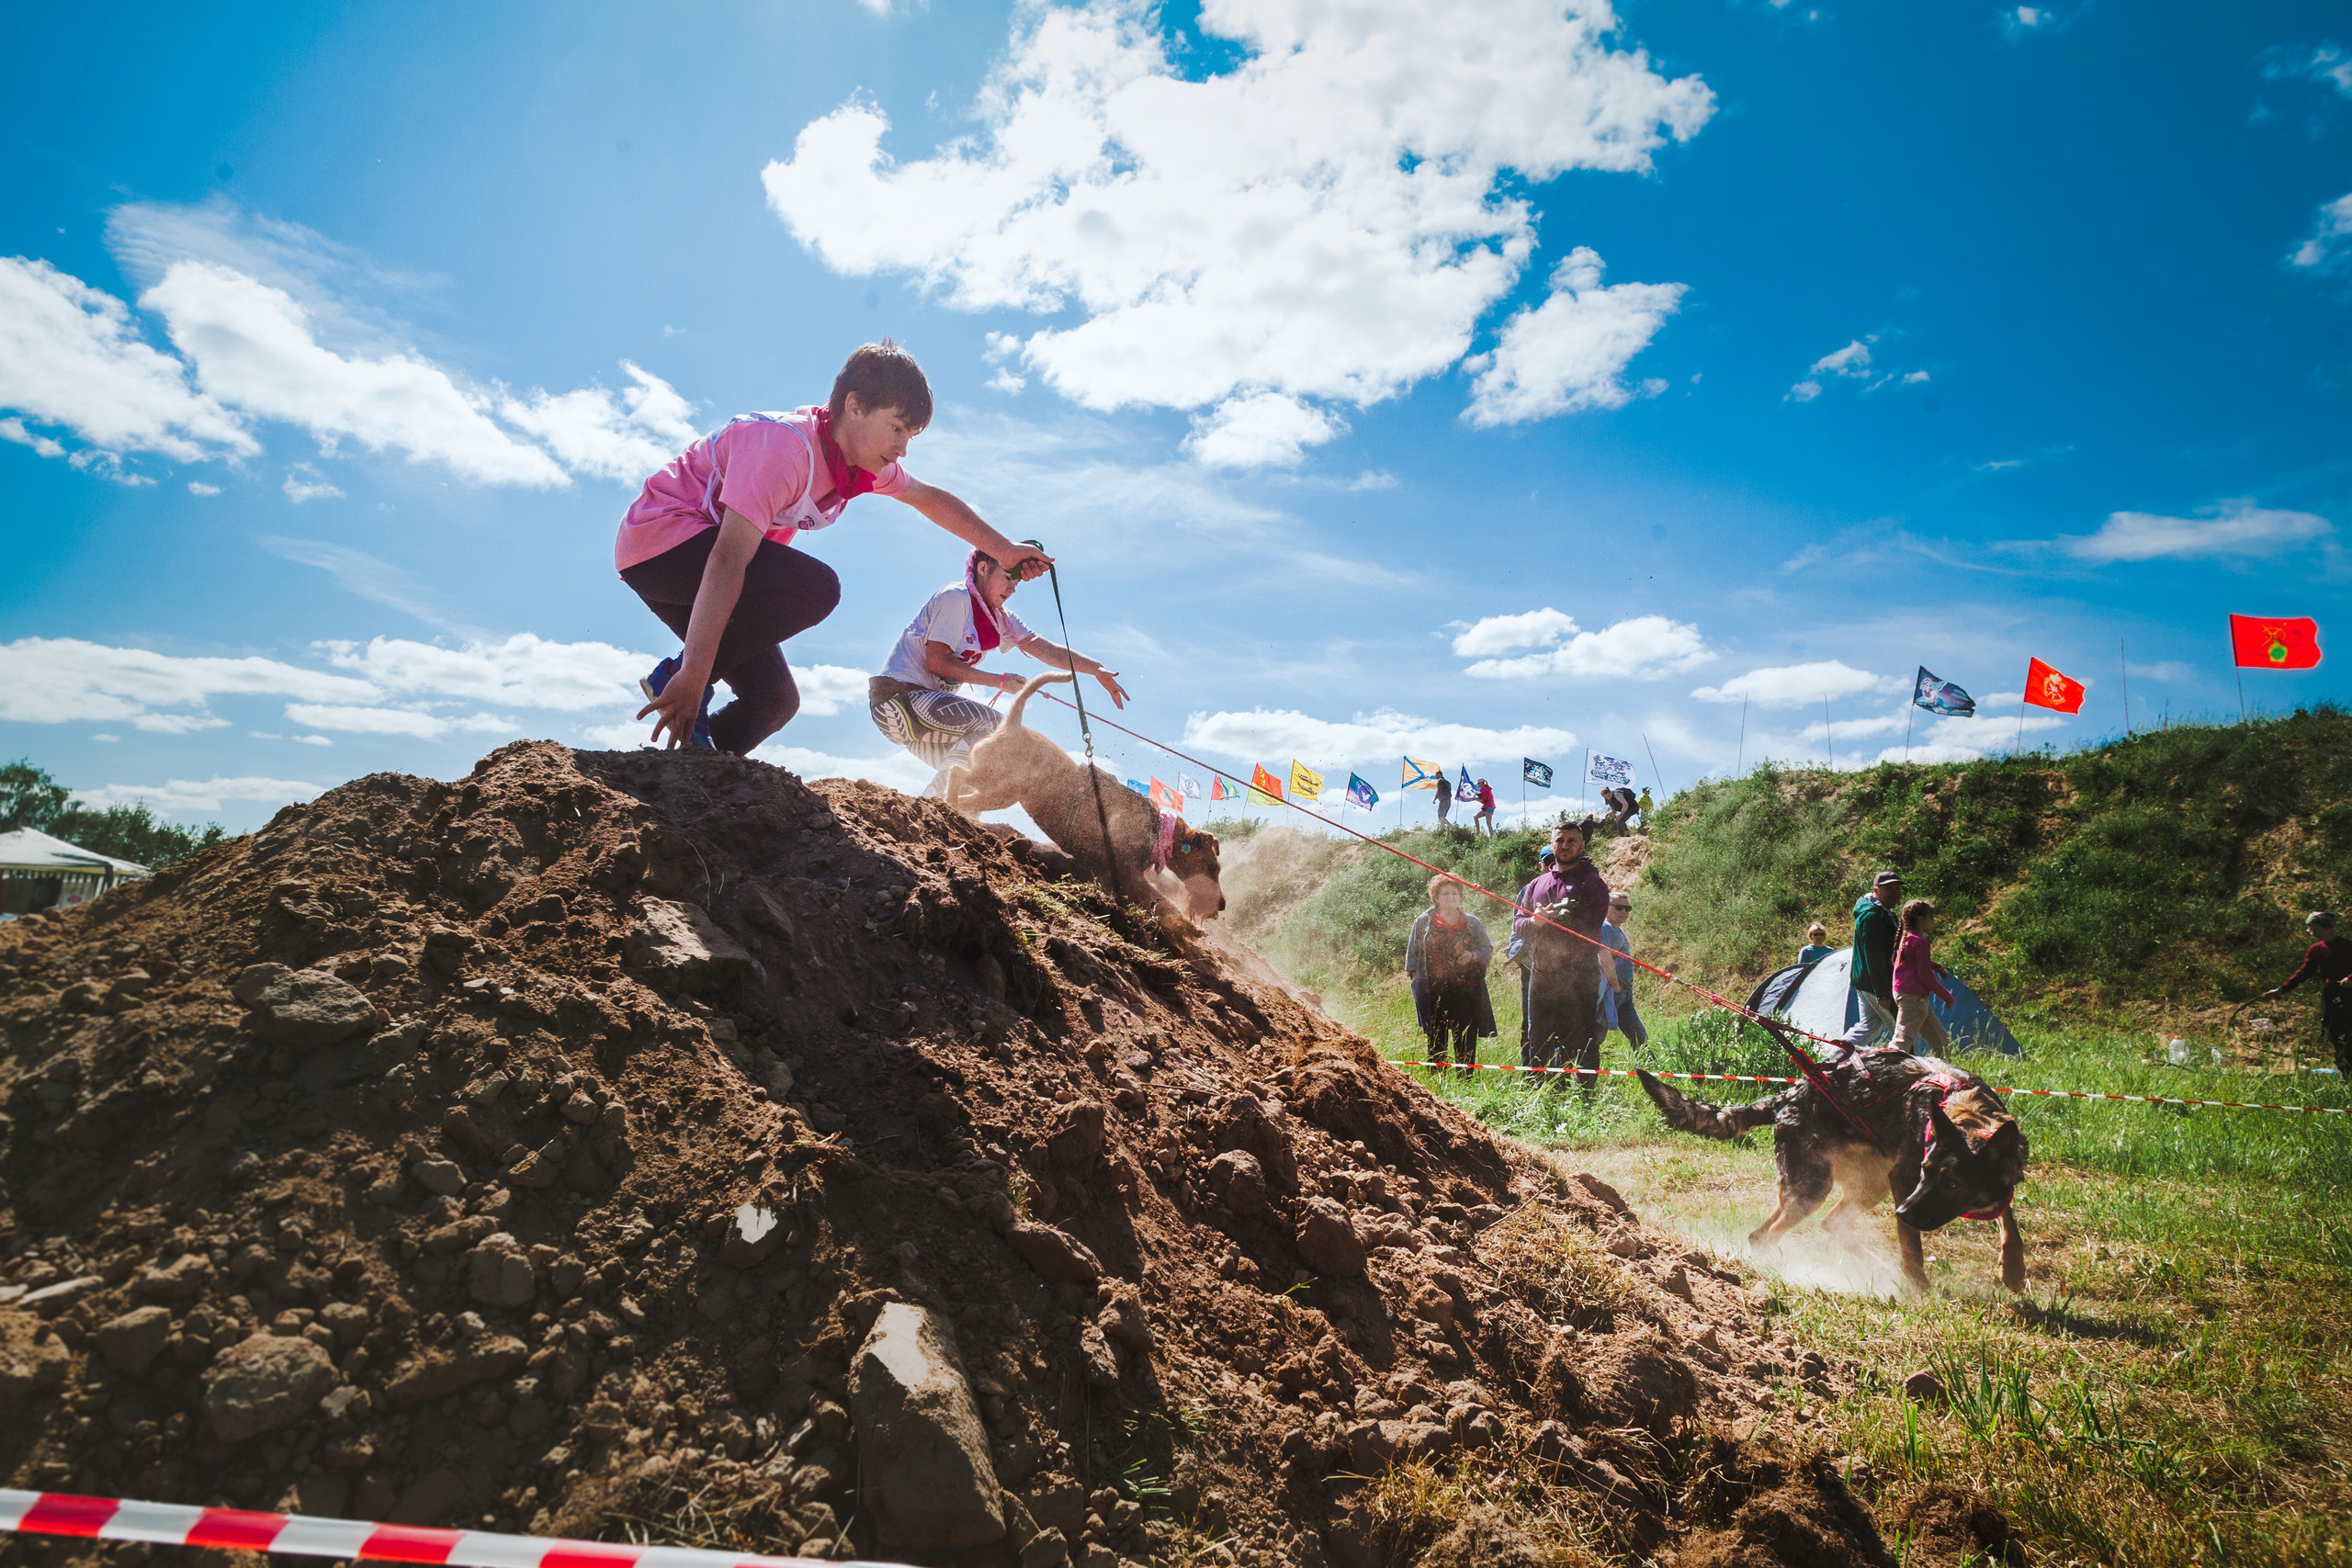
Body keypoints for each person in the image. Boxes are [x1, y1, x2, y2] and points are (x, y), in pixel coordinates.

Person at [619, 341, 1049, 752]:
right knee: (816, 588)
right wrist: (695, 674)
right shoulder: (786, 448)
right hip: (662, 546)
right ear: (855, 406)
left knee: (774, 702)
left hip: (712, 571)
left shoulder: (857, 463)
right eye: (896, 428)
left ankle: (696, 768)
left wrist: (1005, 550)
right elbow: (728, 557)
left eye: (910, 437)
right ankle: (677, 678)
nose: (901, 448)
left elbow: (928, 498)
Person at [870, 547, 1128, 796]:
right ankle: (935, 806)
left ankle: (955, 818)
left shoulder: (1001, 619)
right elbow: (937, 662)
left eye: (1016, 583)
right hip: (896, 701)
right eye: (1007, 578)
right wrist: (1000, 681)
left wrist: (1096, 669)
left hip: (920, 719)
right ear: (983, 568)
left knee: (989, 767)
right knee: (995, 728)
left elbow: (1047, 650)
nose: (1013, 588)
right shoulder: (956, 597)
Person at [1514, 819, 1613, 1088]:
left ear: (1582, 845)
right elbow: (1518, 925)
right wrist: (1536, 922)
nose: (1565, 846)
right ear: (1552, 844)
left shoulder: (1593, 883)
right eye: (1560, 840)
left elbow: (1591, 929)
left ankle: (1584, 1097)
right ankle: (1539, 1093)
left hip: (1579, 975)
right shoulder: (1536, 885)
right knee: (1538, 1038)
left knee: (1583, 1038)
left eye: (1571, 841)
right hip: (1542, 974)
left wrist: (1554, 919)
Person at [1406, 876, 1497, 1074]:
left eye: (1455, 893)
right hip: (1434, 991)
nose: (1450, 897)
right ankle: (1437, 1081)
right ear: (1436, 897)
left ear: (1461, 897)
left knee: (1465, 1039)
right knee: (1436, 1040)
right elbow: (1412, 957)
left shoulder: (1472, 922)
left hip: (1467, 990)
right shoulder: (1423, 921)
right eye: (1445, 893)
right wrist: (1417, 984)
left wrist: (1472, 956)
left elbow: (1487, 949)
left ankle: (1466, 1082)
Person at [2267, 910, 2352, 1073]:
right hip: (2332, 994)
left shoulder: (2348, 946)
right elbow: (2304, 973)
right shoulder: (2316, 950)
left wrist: (2350, 978)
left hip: (2350, 993)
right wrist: (2281, 990)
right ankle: (2344, 1068)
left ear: (2326, 927)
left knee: (2349, 1030)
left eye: (2315, 929)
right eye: (2310, 930)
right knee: (2334, 1029)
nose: (2312, 933)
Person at [1842, 870, 1905, 1046]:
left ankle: (1832, 1057)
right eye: (1889, 888)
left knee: (1869, 1026)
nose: (1895, 893)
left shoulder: (1882, 913)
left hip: (1864, 981)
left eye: (1897, 888)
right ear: (1876, 891)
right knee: (1901, 1030)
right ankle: (1909, 1068)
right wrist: (1882, 992)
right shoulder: (1872, 916)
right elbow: (1874, 956)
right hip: (1874, 984)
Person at [1505, 845, 1555, 1061]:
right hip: (1532, 966)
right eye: (1548, 861)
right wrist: (1518, 954)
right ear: (1540, 865)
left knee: (1561, 1022)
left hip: (1564, 968)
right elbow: (1517, 925)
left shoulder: (1572, 887)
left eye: (1556, 861)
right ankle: (1530, 1074)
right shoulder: (1529, 889)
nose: (1552, 866)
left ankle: (1558, 1073)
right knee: (1531, 1021)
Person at [1889, 898, 1953, 1055]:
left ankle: (1941, 1078)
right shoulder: (1920, 942)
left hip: (1909, 996)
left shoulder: (1906, 939)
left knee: (1942, 1044)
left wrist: (1933, 965)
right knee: (1900, 1044)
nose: (1933, 922)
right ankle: (1879, 1073)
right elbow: (1925, 977)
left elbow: (1911, 962)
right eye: (1931, 917)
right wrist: (1947, 997)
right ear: (1921, 918)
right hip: (1913, 999)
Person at [1598, 890, 1647, 1050]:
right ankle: (1572, 1068)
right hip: (1611, 992)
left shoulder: (1616, 929)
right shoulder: (1605, 927)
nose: (1624, 912)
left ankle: (1647, 1071)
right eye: (1619, 907)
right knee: (1595, 1036)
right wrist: (1616, 986)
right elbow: (1604, 958)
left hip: (1624, 994)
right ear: (1606, 907)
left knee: (1638, 1034)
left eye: (1628, 909)